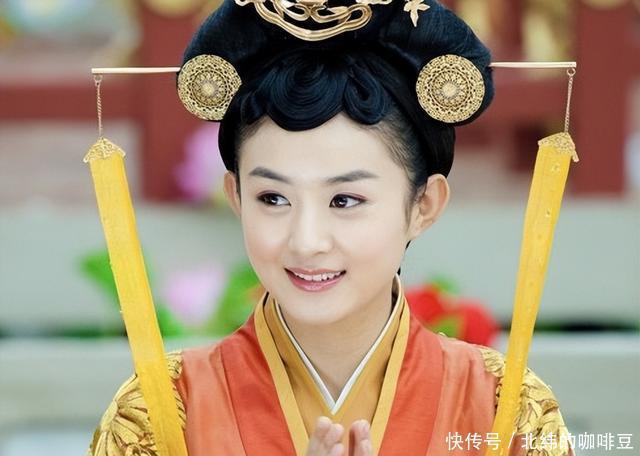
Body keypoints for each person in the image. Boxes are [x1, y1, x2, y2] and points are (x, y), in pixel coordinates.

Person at [89, 0, 573, 454]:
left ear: (423, 205)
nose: (306, 241)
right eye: (273, 198)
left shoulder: (502, 410)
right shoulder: (160, 414)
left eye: (345, 200)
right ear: (236, 197)